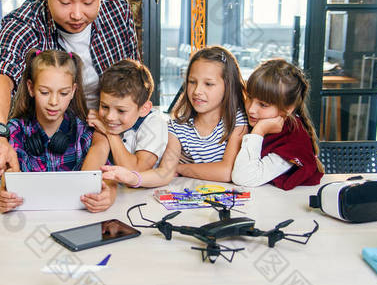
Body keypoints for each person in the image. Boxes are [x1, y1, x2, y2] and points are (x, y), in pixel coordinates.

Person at [0, 0, 140, 175]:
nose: (77, 14)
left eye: (89, 0)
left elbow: (134, 78)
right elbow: (0, 75)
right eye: (65, 1)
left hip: (115, 133)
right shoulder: (25, 23)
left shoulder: (117, 9)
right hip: (55, 142)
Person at [101, 46, 248, 188]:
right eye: (192, 82)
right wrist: (134, 178)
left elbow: (227, 172)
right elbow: (165, 172)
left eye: (208, 84)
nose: (197, 91)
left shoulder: (237, 121)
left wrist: (180, 168)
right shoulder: (177, 127)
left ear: (228, 86)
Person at [0, 50, 115, 213]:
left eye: (63, 93)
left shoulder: (84, 133)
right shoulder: (15, 130)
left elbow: (107, 177)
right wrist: (4, 195)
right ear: (31, 88)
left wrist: (109, 194)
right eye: (44, 92)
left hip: (77, 220)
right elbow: (8, 178)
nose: (54, 102)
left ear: (73, 91)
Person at [231, 59, 324, 190]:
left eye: (263, 105)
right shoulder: (251, 117)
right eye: (250, 97)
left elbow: (243, 177)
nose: (251, 109)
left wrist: (259, 131)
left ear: (288, 109)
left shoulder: (293, 139)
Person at [81, 59, 168, 172]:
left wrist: (109, 133)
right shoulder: (103, 121)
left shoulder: (155, 123)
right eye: (104, 107)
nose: (109, 117)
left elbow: (136, 171)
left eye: (121, 111)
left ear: (144, 109)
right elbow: (89, 174)